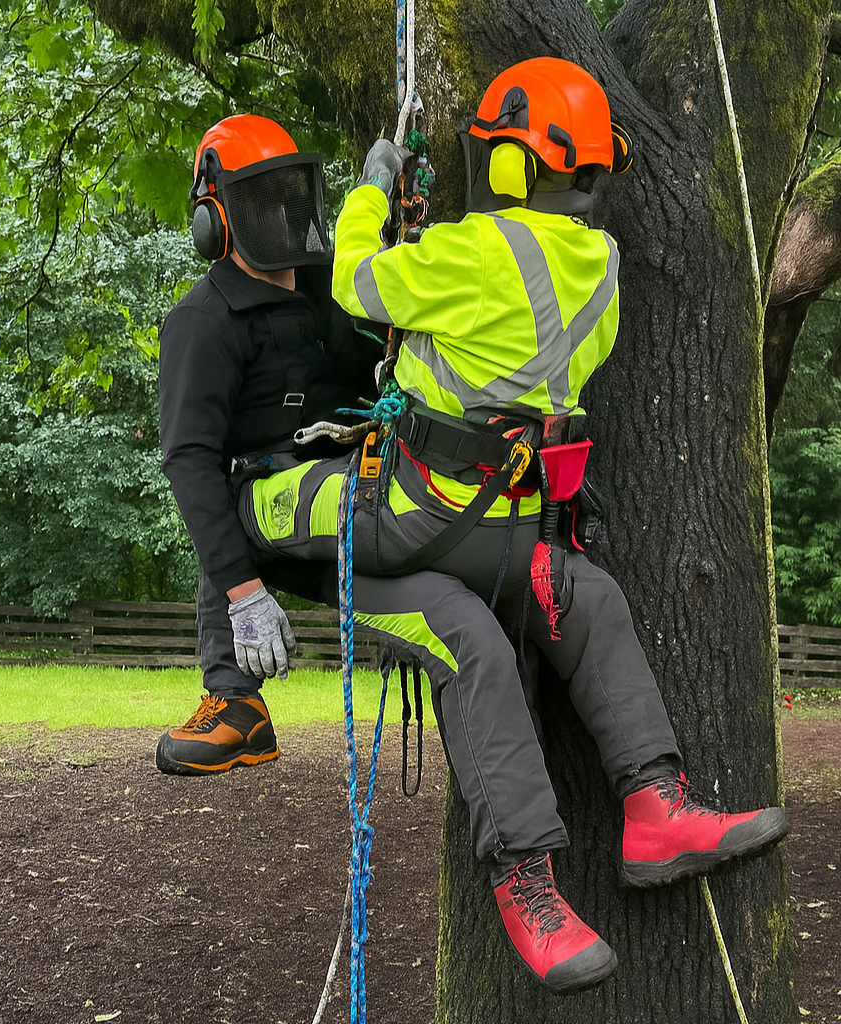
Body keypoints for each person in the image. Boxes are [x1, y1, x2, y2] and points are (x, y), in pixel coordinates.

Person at [230, 59, 792, 994]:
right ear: (585, 173)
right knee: (586, 600)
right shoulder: (598, 269)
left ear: (503, 163)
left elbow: (359, 285)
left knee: (314, 538)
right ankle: (655, 804)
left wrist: (372, 193)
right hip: (514, 533)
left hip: (408, 519)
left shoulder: (471, 254)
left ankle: (527, 881)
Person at [154, 113, 380, 775]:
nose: (273, 212)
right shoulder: (204, 322)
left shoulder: (327, 289)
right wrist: (245, 594)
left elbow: (376, 363)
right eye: (255, 198)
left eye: (280, 193)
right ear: (215, 217)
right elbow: (189, 460)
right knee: (222, 503)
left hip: (356, 481)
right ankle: (235, 702)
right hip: (271, 509)